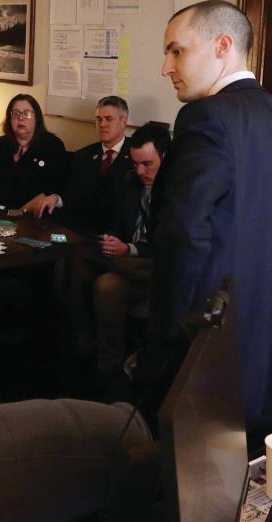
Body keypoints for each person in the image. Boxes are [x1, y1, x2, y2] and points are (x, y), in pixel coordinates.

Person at [152, 0, 272, 422]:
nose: (166, 67)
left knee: (197, 477)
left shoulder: (205, 119)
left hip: (215, 342)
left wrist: (168, 331)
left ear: (222, 45)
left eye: (176, 51)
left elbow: (184, 231)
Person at [90, 123, 169, 382]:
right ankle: (105, 363)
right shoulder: (130, 182)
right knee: (98, 277)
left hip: (157, 263)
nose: (140, 171)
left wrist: (129, 249)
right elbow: (117, 222)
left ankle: (113, 366)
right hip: (128, 260)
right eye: (135, 164)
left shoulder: (174, 189)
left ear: (165, 157)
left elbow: (166, 242)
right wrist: (112, 240)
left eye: (147, 164)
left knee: (109, 279)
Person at [34, 96, 133, 229]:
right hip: (84, 231)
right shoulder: (83, 156)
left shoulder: (136, 156)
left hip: (119, 234)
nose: (102, 124)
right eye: (99, 119)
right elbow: (72, 196)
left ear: (123, 122)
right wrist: (56, 199)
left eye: (109, 119)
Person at [0, 93, 68, 211]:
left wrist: (17, 216)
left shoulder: (52, 145)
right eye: (16, 114)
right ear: (9, 118)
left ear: (36, 118)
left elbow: (55, 189)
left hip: (35, 218)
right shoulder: (1, 144)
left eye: (27, 114)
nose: (21, 118)